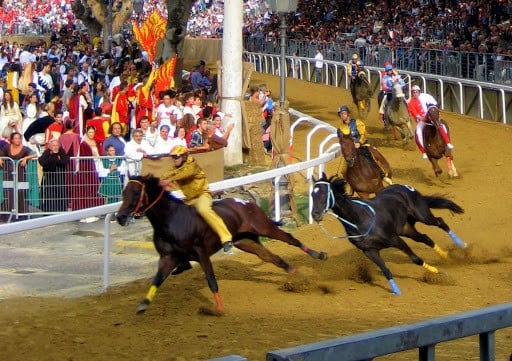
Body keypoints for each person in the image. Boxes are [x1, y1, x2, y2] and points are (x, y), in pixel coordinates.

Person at [159, 145, 233, 253]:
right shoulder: (175, 168)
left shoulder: (192, 165)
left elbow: (185, 173)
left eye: (176, 157)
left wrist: (169, 179)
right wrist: (160, 181)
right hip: (189, 199)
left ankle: (226, 239)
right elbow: (165, 175)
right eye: (173, 157)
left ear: (184, 156)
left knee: (204, 209)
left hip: (202, 195)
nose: (174, 159)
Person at [337, 105, 391, 184]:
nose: (342, 115)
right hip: (351, 151)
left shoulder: (357, 122)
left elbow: (363, 134)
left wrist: (359, 142)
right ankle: (351, 184)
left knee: (372, 158)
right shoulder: (340, 128)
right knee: (343, 170)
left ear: (348, 114)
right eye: (341, 114)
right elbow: (342, 141)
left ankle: (383, 175)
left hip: (362, 146)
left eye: (344, 113)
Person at [408, 85, 453, 159]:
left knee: (442, 126)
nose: (415, 93)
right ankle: (423, 151)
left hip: (431, 116)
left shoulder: (425, 97)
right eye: (413, 92)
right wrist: (419, 117)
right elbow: (413, 112)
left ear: (419, 92)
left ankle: (448, 143)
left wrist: (435, 112)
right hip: (422, 121)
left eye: (416, 92)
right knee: (418, 133)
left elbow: (433, 104)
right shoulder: (411, 102)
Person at [38, 139, 69, 212]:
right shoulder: (47, 152)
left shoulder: (62, 151)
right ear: (50, 146)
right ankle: (49, 211)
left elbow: (64, 161)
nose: (55, 147)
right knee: (49, 194)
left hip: (60, 177)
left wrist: (51, 159)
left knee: (60, 193)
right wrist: (55, 158)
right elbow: (42, 161)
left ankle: (61, 211)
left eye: (57, 145)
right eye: (53, 146)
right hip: (49, 177)